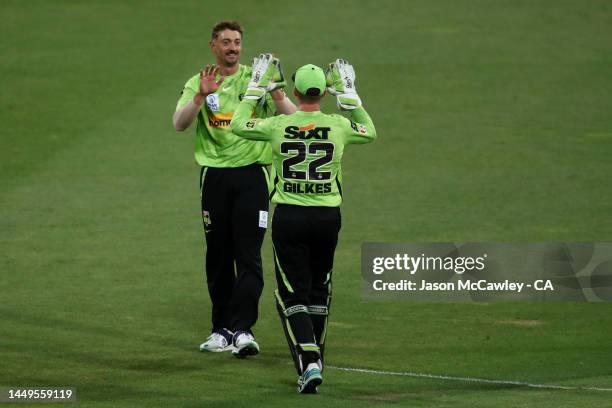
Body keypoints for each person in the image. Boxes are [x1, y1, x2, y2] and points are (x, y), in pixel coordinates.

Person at [230, 57, 377, 393]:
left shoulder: (279, 126)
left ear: (294, 91)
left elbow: (238, 125)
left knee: (289, 293)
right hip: (328, 218)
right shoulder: (338, 124)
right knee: (319, 287)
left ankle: (309, 359)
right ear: (324, 93)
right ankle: (316, 357)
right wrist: (351, 96)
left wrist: (256, 88)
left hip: (290, 218)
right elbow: (370, 131)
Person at [172, 21, 297, 358]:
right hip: (214, 178)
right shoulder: (199, 82)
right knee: (218, 256)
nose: (233, 48)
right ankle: (220, 330)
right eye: (226, 42)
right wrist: (200, 95)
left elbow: (295, 119)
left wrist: (276, 92)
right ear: (213, 45)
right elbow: (179, 124)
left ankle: (242, 330)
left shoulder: (256, 79)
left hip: (253, 178)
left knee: (248, 257)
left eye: (237, 42)